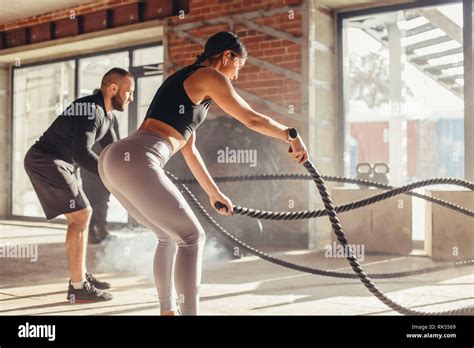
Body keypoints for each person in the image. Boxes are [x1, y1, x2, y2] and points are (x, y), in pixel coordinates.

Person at [98, 31, 308, 315]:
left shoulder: (186, 83)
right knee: (192, 238)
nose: (236, 76)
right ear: (227, 57)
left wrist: (214, 193)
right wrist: (291, 136)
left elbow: (189, 150)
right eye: (239, 67)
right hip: (138, 158)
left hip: (114, 159)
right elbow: (252, 118)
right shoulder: (210, 76)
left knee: (168, 237)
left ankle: (167, 311)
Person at [24, 68, 135, 303]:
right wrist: (111, 176)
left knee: (79, 218)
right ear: (113, 89)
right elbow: (82, 153)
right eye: (128, 92)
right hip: (45, 160)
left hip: (60, 163)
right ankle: (78, 286)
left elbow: (111, 152)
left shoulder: (107, 116)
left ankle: (79, 277)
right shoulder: (91, 110)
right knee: (82, 215)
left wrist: (136, 171)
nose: (130, 97)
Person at [80, 89, 121, 244]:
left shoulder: (111, 117)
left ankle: (102, 230)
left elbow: (115, 141)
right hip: (89, 166)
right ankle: (90, 232)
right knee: (91, 200)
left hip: (104, 165)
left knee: (103, 199)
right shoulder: (88, 116)